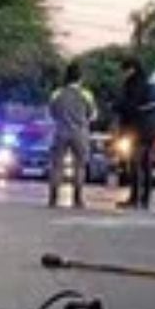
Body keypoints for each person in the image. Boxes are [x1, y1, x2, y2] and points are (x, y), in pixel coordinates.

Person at [46, 63, 97, 209]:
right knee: (79, 166)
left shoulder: (57, 93)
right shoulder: (86, 94)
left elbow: (51, 113)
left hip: (60, 131)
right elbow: (93, 115)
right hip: (80, 132)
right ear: (81, 78)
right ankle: (78, 198)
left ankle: (53, 197)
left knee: (57, 165)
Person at [115, 57, 155, 209]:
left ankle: (134, 198)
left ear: (132, 69)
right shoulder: (150, 86)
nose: (123, 74)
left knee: (135, 164)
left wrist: (116, 106)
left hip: (138, 130)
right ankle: (145, 199)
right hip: (152, 130)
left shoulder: (133, 85)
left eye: (125, 70)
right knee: (147, 165)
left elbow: (129, 107)